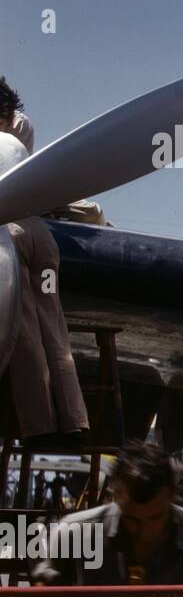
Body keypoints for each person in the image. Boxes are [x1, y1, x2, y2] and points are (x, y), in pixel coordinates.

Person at [0, 83, 90, 447]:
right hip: (43, 237)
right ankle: (74, 422)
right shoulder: (18, 139)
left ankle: (40, 429)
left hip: (12, 235)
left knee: (23, 336)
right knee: (55, 330)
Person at [31, 441, 183, 585]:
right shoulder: (73, 534)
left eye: (155, 518)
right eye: (131, 519)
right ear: (113, 496)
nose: (144, 532)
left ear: (174, 495)